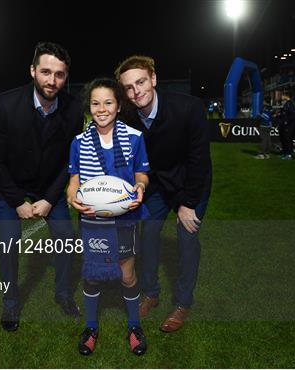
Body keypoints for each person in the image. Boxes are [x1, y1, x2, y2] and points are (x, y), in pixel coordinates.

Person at [0, 42, 84, 332]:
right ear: (32, 71)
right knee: (8, 244)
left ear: (66, 77)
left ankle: (64, 294)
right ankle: (11, 302)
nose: (52, 81)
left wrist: (50, 199)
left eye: (60, 75)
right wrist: (17, 201)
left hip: (48, 186)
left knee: (66, 237)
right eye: (45, 72)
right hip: (8, 186)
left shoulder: (74, 108)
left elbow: (70, 158)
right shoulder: (4, 103)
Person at [115, 56, 212, 333]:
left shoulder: (189, 108)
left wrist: (188, 204)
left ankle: (182, 303)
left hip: (192, 183)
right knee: (146, 235)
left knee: (186, 236)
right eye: (130, 87)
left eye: (141, 82)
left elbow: (199, 161)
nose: (137, 91)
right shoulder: (128, 116)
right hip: (157, 185)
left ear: (154, 79)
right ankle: (151, 293)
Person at [67, 78, 150, 356]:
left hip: (124, 218)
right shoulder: (78, 142)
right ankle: (91, 326)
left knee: (127, 275)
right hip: (92, 220)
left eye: (108, 102)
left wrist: (140, 187)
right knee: (91, 276)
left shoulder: (135, 137)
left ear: (118, 105)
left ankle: (134, 325)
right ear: (89, 107)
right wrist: (72, 197)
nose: (102, 108)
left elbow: (142, 174)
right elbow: (74, 181)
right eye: (95, 103)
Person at [277, 91, 295, 160]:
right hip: (283, 125)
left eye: (282, 95)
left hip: (288, 126)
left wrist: (286, 122)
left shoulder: (290, 104)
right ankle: (285, 153)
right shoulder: (286, 103)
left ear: (286, 96)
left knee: (288, 139)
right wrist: (279, 114)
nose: (281, 97)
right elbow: (284, 113)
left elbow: (293, 115)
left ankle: (289, 154)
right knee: (284, 139)